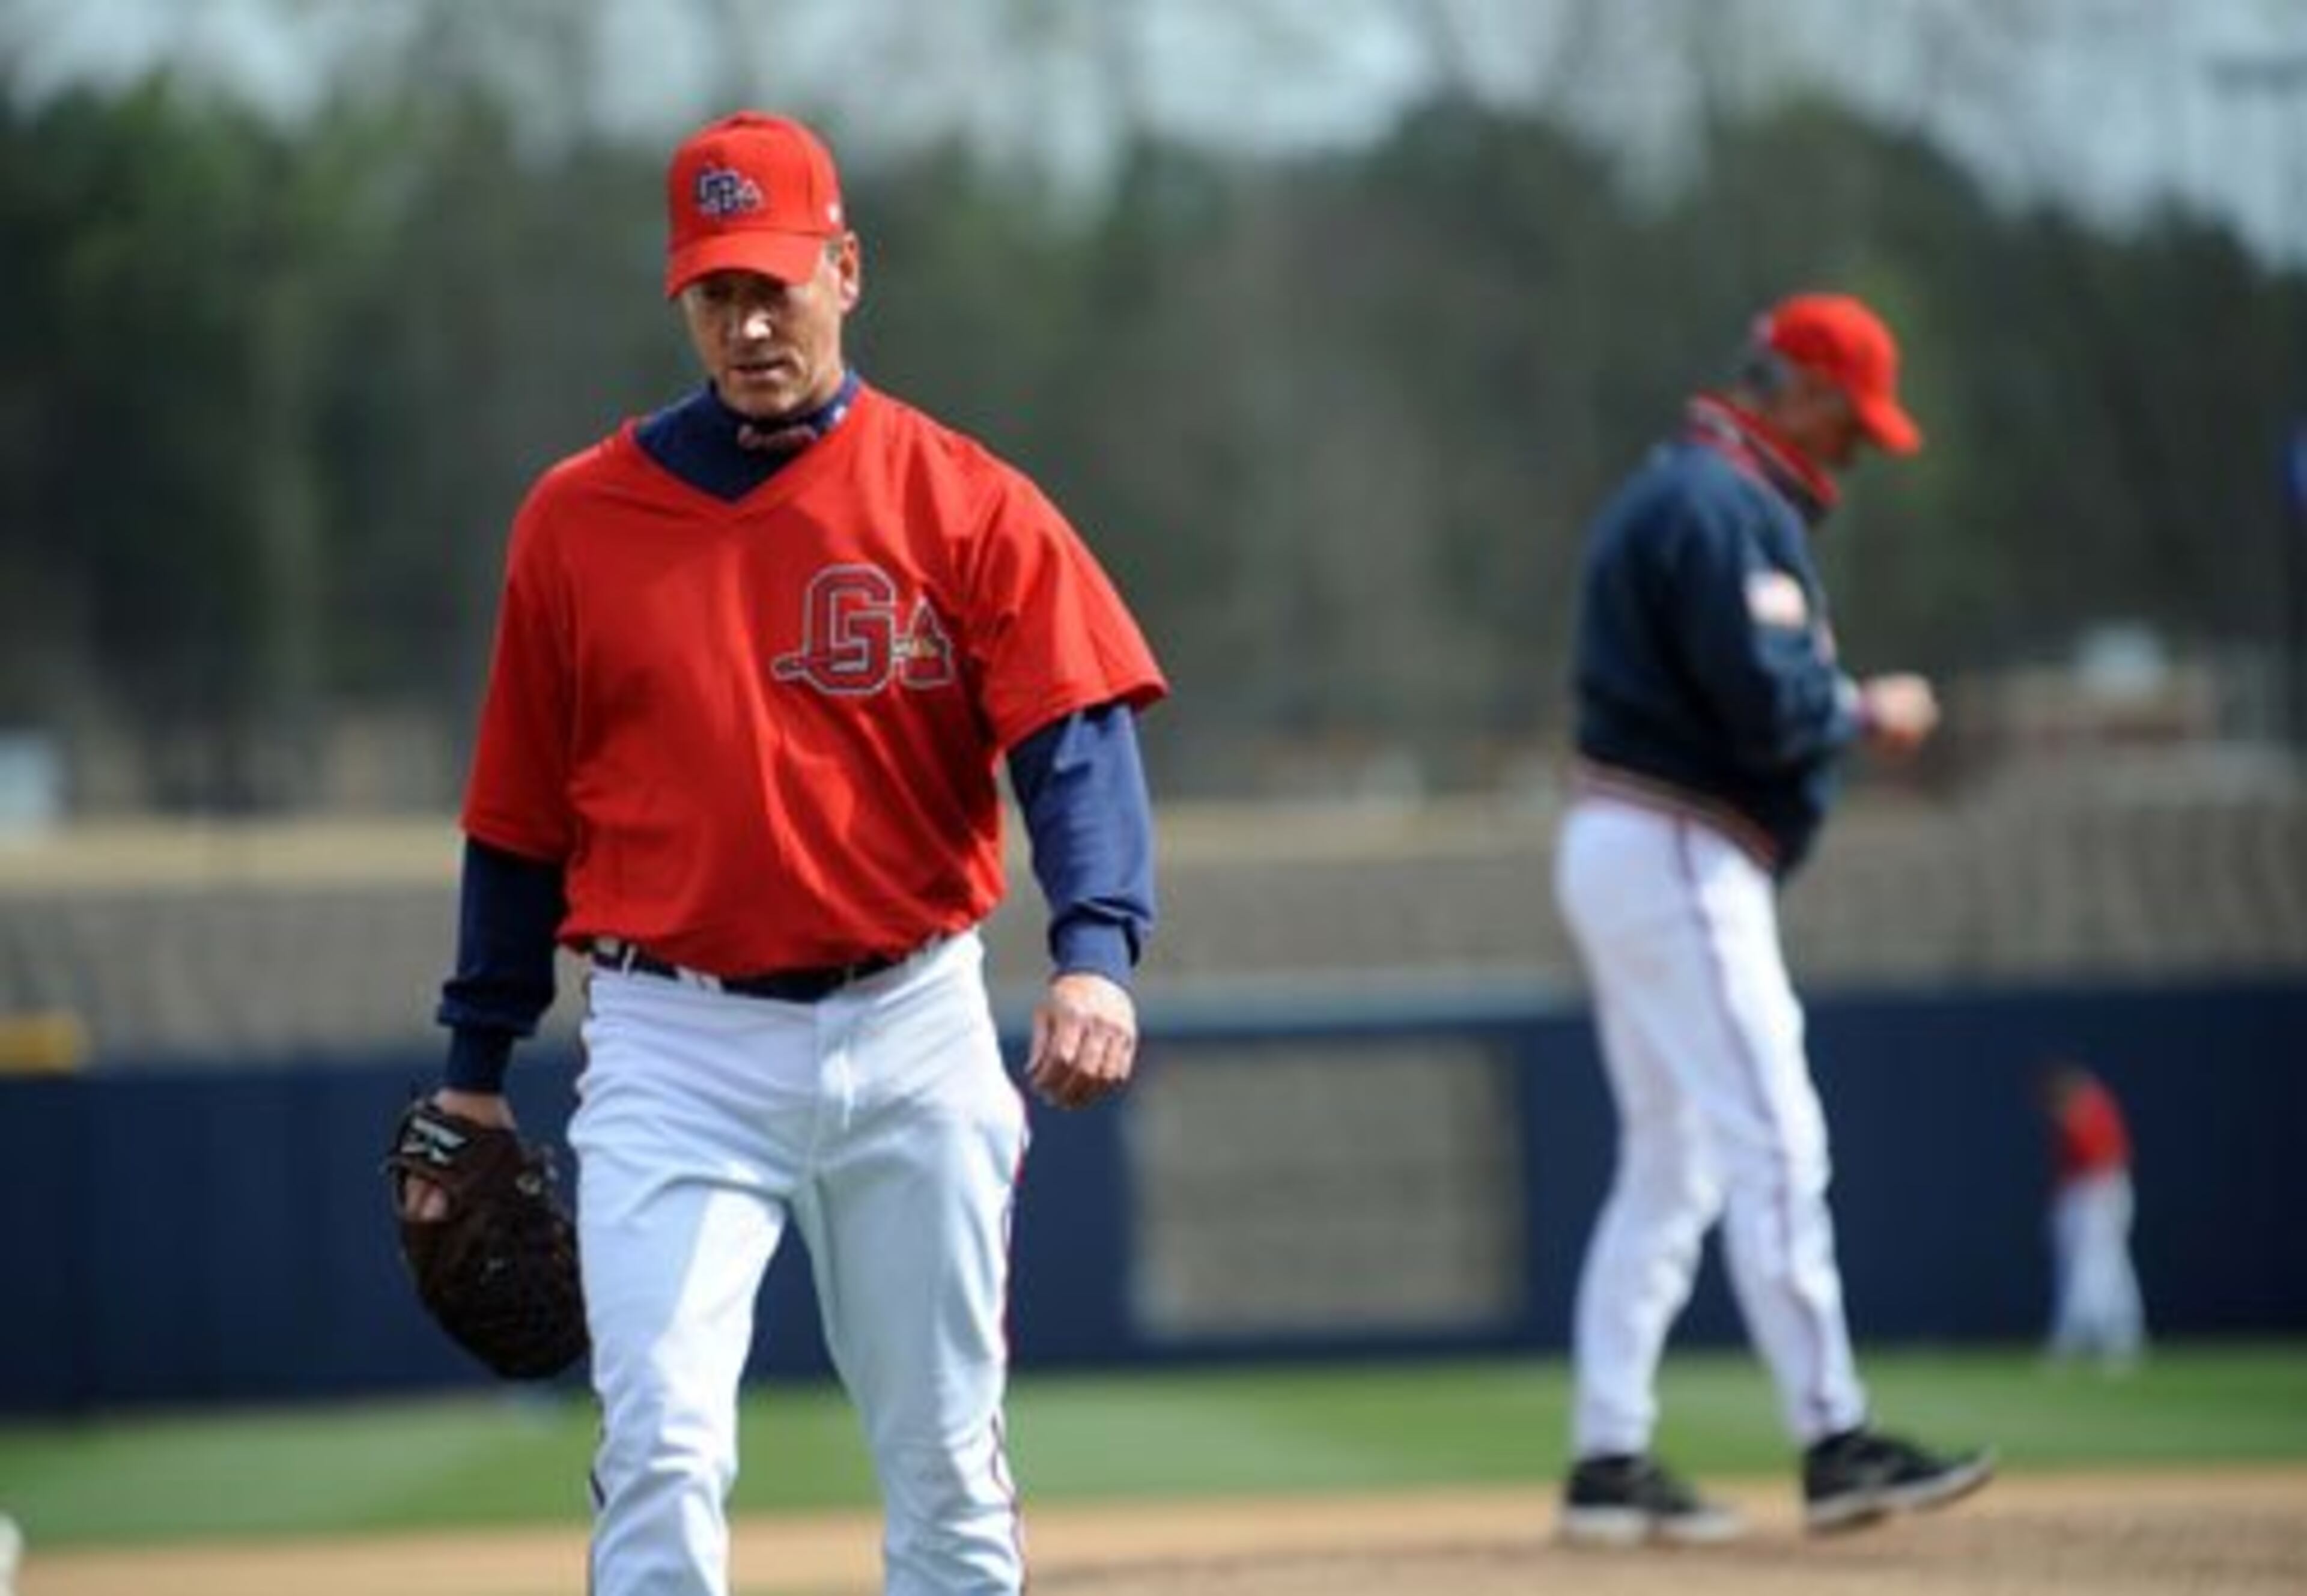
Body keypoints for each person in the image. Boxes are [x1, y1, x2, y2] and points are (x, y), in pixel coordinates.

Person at [402, 111, 1167, 1596]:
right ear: (679, 297)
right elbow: (516, 820)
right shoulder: (575, 521)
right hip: (673, 1044)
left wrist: (1096, 953)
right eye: (716, 293)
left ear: (846, 270)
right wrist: (472, 1066)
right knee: (664, 1446)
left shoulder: (960, 497)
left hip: (911, 1022)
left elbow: (1072, 742)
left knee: (945, 1461)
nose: (750, 324)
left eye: (777, 284)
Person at [1550, 292, 1994, 1546]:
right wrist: (1867, 708)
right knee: (1776, 1135)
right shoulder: (1719, 501)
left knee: (1673, 1159)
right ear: (1798, 388)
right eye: (1852, 417)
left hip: (1635, 835)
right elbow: (1767, 703)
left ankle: (1608, 1454)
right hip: (1676, 840)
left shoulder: (1688, 488)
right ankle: (1837, 1434)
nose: (1857, 445)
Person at [2037, 1060, 2147, 1368]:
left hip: (2100, 1194)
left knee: (2097, 1270)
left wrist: (2103, 1203)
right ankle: (2115, 1340)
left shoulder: (2092, 1109)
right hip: (2085, 1196)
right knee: (2101, 1269)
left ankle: (2081, 1340)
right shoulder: (2077, 1111)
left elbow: (2108, 1160)